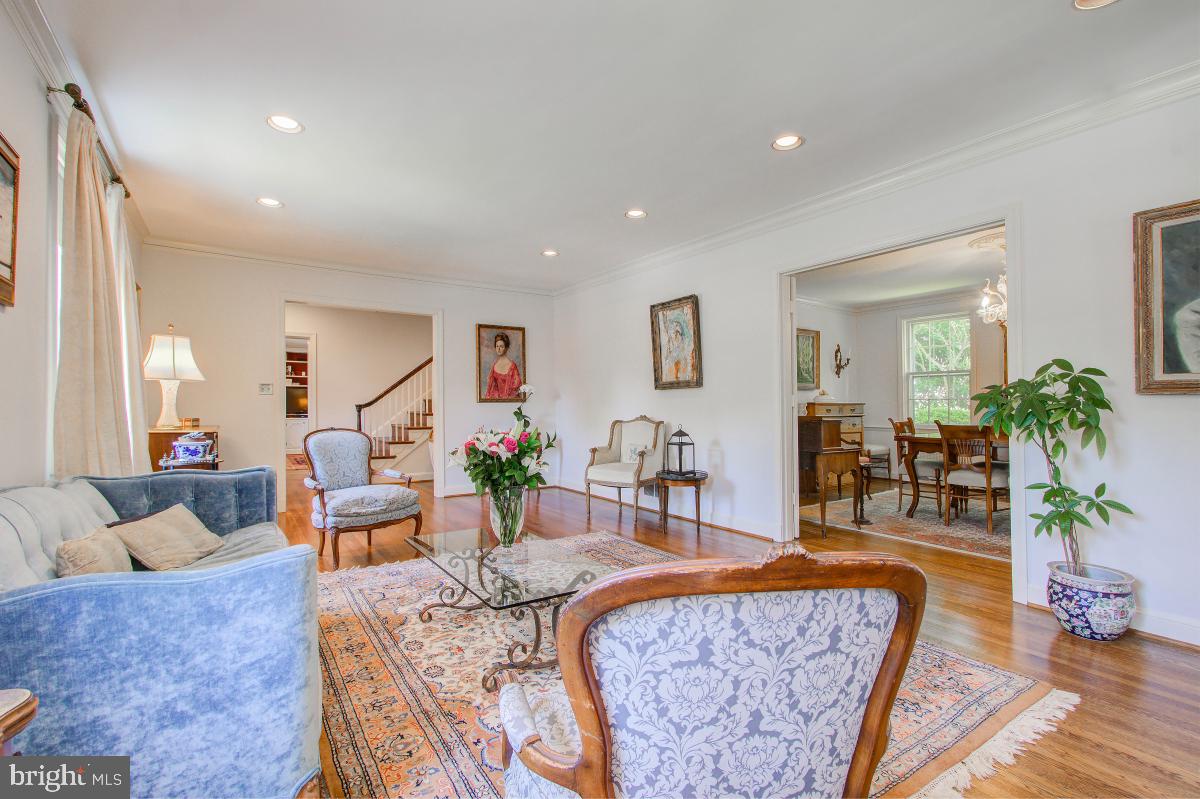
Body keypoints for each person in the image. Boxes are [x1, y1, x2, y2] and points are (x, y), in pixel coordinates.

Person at [485, 332, 523, 399]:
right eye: (497, 346)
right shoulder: (494, 366)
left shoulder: (512, 367)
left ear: (506, 348)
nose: (498, 349)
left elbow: (516, 389)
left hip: (509, 404)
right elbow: (490, 390)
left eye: (501, 346)